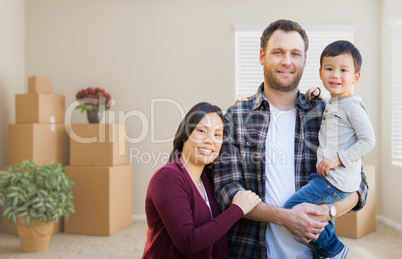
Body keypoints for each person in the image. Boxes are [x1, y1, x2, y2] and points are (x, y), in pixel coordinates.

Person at [211, 19, 369, 259]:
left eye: (295, 53)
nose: (287, 61)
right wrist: (287, 218)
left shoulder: (324, 113)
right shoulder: (237, 116)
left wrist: (330, 210)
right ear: (262, 56)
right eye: (278, 52)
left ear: (305, 60)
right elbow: (226, 189)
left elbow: (359, 183)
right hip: (250, 250)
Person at [282, 40, 376, 258]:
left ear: (355, 77)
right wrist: (318, 95)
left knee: (292, 209)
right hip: (327, 176)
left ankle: (333, 250)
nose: (335, 75)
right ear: (321, 73)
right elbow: (335, 117)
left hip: (335, 179)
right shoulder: (335, 101)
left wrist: (337, 159)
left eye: (343, 70)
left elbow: (368, 140)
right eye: (329, 69)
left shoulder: (353, 106)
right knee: (321, 218)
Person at [142, 102, 262, 259]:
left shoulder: (208, 178)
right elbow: (189, 243)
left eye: (217, 134)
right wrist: (237, 209)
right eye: (201, 131)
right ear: (185, 133)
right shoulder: (168, 177)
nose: (209, 140)